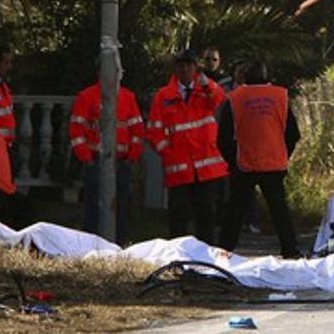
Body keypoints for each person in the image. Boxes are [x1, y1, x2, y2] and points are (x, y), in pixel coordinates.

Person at [217, 61, 302, 257]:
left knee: (235, 212)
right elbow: (293, 134)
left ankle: (223, 251)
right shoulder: (281, 96)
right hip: (274, 163)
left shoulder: (234, 98)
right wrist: (283, 154)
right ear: (267, 77)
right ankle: (290, 250)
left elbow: (223, 138)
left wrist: (233, 159)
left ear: (244, 78)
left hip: (243, 164)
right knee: (279, 210)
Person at [146, 49, 229, 244]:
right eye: (181, 65)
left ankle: (207, 260)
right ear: (175, 68)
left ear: (196, 68)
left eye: (189, 65)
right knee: (178, 219)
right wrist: (169, 153)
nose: (185, 69)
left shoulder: (205, 92)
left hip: (206, 169)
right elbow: (153, 131)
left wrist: (205, 82)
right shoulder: (164, 96)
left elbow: (219, 98)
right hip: (179, 169)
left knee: (207, 217)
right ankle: (179, 260)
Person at [69, 75, 145, 245]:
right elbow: (76, 129)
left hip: (121, 162)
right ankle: (91, 246)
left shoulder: (127, 97)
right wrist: (87, 158)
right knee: (94, 206)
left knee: (120, 207)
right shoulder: (87, 96)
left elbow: (137, 129)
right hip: (96, 160)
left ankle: (118, 245)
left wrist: (131, 158)